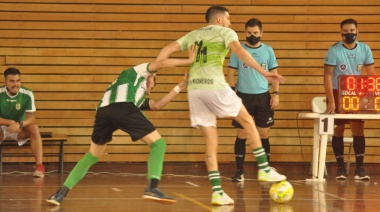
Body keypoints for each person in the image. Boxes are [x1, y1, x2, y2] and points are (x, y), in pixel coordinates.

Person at [156, 5, 286, 206]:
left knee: (211, 142)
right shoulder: (226, 32)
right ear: (219, 20)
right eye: (228, 18)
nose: (230, 22)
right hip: (215, 86)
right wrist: (264, 72)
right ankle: (264, 169)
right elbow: (241, 53)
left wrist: (156, 70)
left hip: (195, 90)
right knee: (248, 122)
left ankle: (217, 192)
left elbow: (167, 50)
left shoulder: (193, 34)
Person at [46, 46, 197, 206]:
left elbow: (157, 105)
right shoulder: (137, 72)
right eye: (153, 80)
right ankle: (152, 188)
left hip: (103, 112)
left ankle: (60, 194)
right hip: (122, 107)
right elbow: (160, 62)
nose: (152, 83)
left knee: (92, 155)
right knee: (159, 144)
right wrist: (189, 60)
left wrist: (180, 86)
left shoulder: (136, 96)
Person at [227, 18, 280, 182]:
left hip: (263, 97)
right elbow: (231, 73)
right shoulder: (239, 50)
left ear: (261, 33)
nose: (252, 36)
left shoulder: (268, 50)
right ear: (245, 33)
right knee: (242, 133)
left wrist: (276, 93)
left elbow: (274, 72)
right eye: (249, 33)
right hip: (243, 97)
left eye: (255, 33)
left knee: (263, 133)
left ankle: (265, 169)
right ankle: (239, 171)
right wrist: (231, 93)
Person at [324, 18, 376, 180]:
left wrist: (373, 95)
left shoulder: (365, 49)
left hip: (357, 93)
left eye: (352, 31)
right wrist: (331, 100)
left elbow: (371, 75)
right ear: (341, 32)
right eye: (345, 31)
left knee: (358, 129)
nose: (349, 34)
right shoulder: (334, 51)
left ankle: (359, 169)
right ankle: (341, 168)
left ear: (357, 31)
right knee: (338, 129)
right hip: (337, 91)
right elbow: (327, 76)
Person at [0, 67, 45, 177]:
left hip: (19, 129)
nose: (16, 84)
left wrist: (19, 124)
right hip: (1, 128)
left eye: (18, 80)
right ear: (5, 82)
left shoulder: (27, 93)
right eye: (12, 81)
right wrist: (9, 122)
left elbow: (31, 117)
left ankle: (39, 167)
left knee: (34, 128)